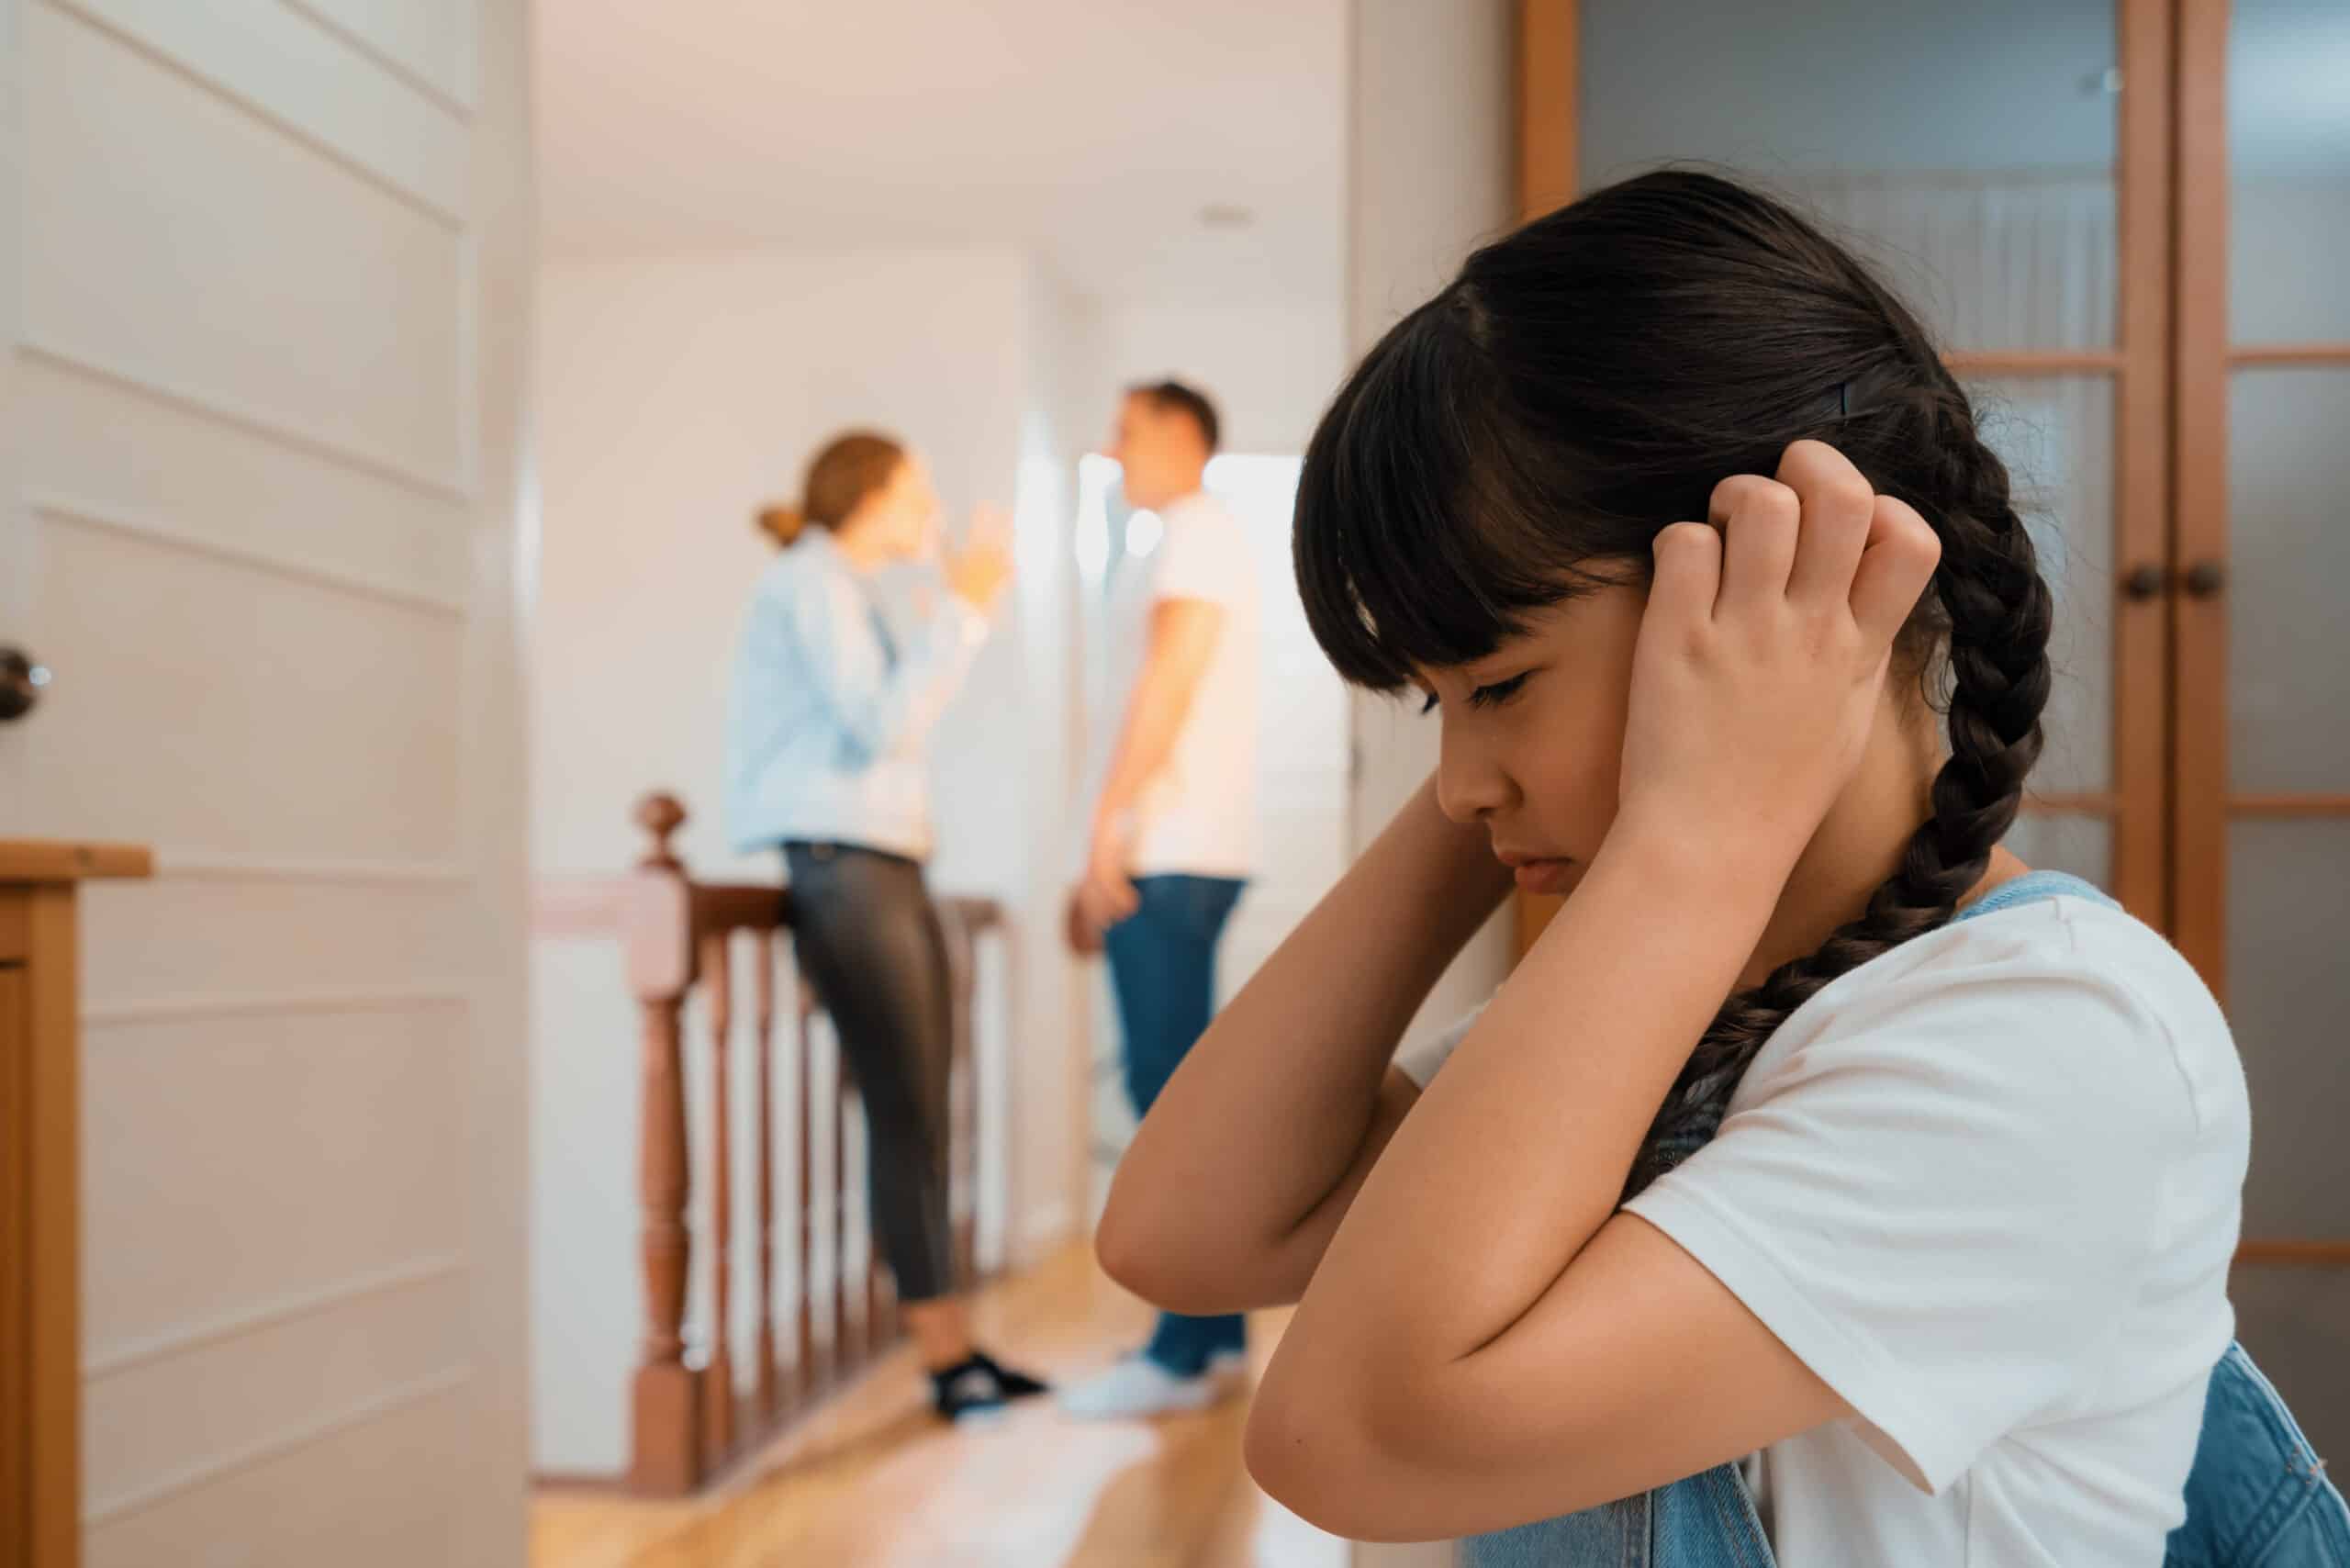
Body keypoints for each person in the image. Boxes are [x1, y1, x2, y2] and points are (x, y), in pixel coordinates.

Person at [1094, 173, 2331, 1563]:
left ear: (1775, 577)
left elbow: (1356, 1439)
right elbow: (1187, 1231)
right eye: (1431, 702)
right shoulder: (1698, 1005)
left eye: (1498, 682)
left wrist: (1697, 826)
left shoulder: (2050, 1035)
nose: (1454, 784)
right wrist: (1532, 768)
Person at [724, 430, 1049, 1422]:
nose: (933, 511)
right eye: (918, 491)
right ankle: (946, 1359)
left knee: (924, 1110)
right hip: (842, 868)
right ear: (868, 493)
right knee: (907, 1111)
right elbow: (883, 724)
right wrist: (965, 608)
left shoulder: (842, 588)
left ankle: (952, 1345)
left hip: (884, 866)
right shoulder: (811, 580)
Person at [1058, 381, 1264, 1420]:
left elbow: (1170, 678)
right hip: (1187, 851)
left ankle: (1178, 1349)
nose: (1114, 446)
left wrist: (1105, 831)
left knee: (1166, 1102)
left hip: (1168, 852)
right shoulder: (1196, 535)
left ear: (1184, 436)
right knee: (1179, 1092)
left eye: (1126, 429)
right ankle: (1214, 1335)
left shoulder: (1191, 531)